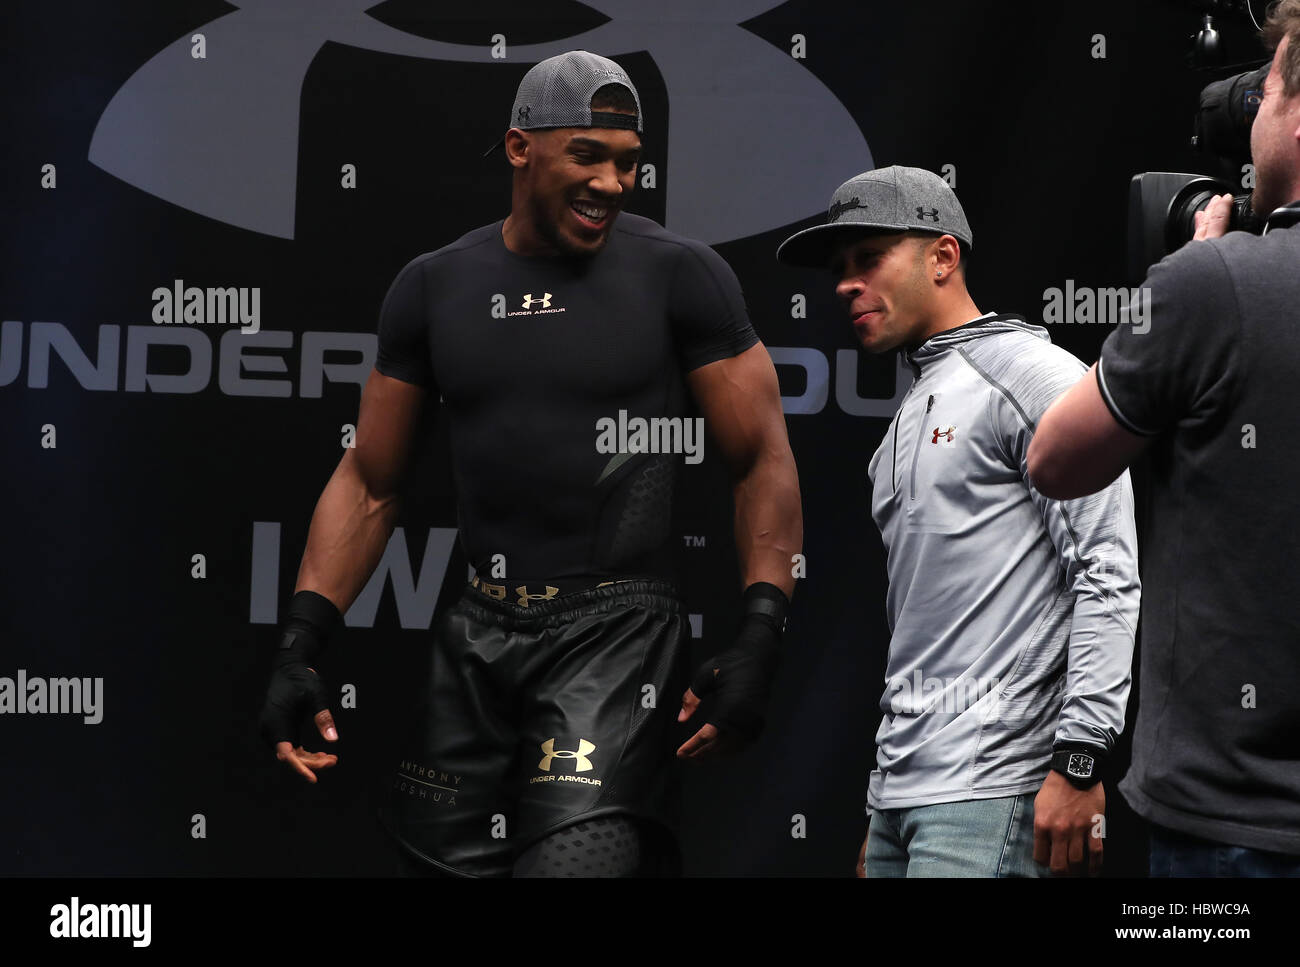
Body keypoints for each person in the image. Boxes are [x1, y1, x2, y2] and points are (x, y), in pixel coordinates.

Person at [257, 50, 802, 877]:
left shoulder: (679, 276)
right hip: (478, 634)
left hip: (617, 634)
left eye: (628, 163)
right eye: (588, 155)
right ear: (521, 149)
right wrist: (300, 644)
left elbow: (761, 458)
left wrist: (760, 632)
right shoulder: (435, 286)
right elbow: (371, 483)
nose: (614, 185)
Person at [776, 166, 1140, 877]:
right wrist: (887, 807)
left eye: (869, 258)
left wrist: (1080, 757)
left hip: (994, 792)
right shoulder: (910, 413)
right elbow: (928, 629)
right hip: (905, 798)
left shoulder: (1032, 374)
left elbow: (1107, 569)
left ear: (943, 256)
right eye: (839, 269)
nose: (847, 283)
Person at [1027, 3, 1300, 876]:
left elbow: (1055, 459)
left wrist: (1184, 278)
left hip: (1233, 823)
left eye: (1269, 88)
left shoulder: (1209, 282)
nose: (1252, 111)